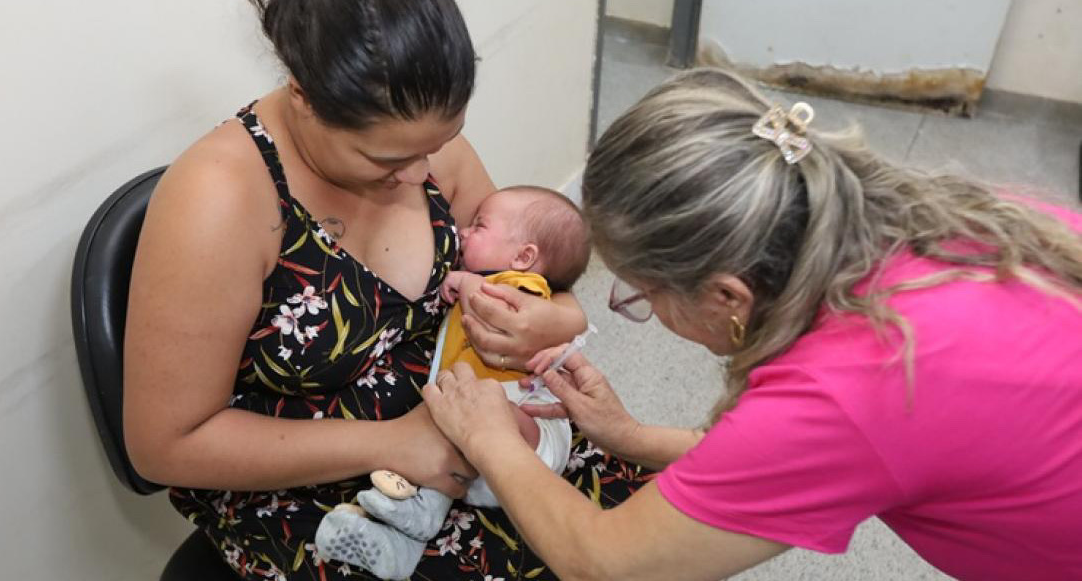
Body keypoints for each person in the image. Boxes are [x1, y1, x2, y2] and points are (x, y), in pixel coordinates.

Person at [424, 68, 1082, 581]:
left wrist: (491, 439)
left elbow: (604, 562)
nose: (644, 310)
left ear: (727, 297)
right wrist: (629, 436)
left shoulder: (849, 384)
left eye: (644, 296)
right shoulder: (946, 219)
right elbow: (787, 459)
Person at [122, 1, 647, 579]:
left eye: (437, 146)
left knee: (646, 535)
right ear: (303, 94)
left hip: (478, 424)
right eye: (389, 158)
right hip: (320, 485)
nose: (423, 173)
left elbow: (541, 277)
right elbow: (166, 444)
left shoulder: (423, 139)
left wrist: (555, 318)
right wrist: (390, 443)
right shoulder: (218, 201)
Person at [315, 186, 589, 579]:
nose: (462, 231)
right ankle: (401, 544)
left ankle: (419, 515)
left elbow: (495, 308)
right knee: (445, 438)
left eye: (479, 225)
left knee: (484, 418)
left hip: (531, 433)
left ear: (524, 257)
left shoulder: (525, 287)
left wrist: (467, 281)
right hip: (477, 464)